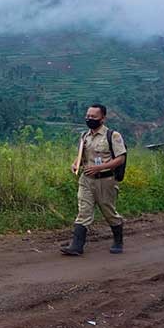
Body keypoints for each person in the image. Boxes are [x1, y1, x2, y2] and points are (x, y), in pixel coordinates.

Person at [61, 103, 127, 256]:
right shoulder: (85, 136)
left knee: (108, 212)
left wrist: (99, 167)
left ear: (102, 118)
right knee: (83, 211)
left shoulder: (113, 136)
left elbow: (120, 159)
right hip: (86, 180)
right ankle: (76, 246)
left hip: (105, 180)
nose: (89, 119)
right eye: (88, 116)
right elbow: (82, 157)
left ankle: (118, 241)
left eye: (93, 117)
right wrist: (75, 164)